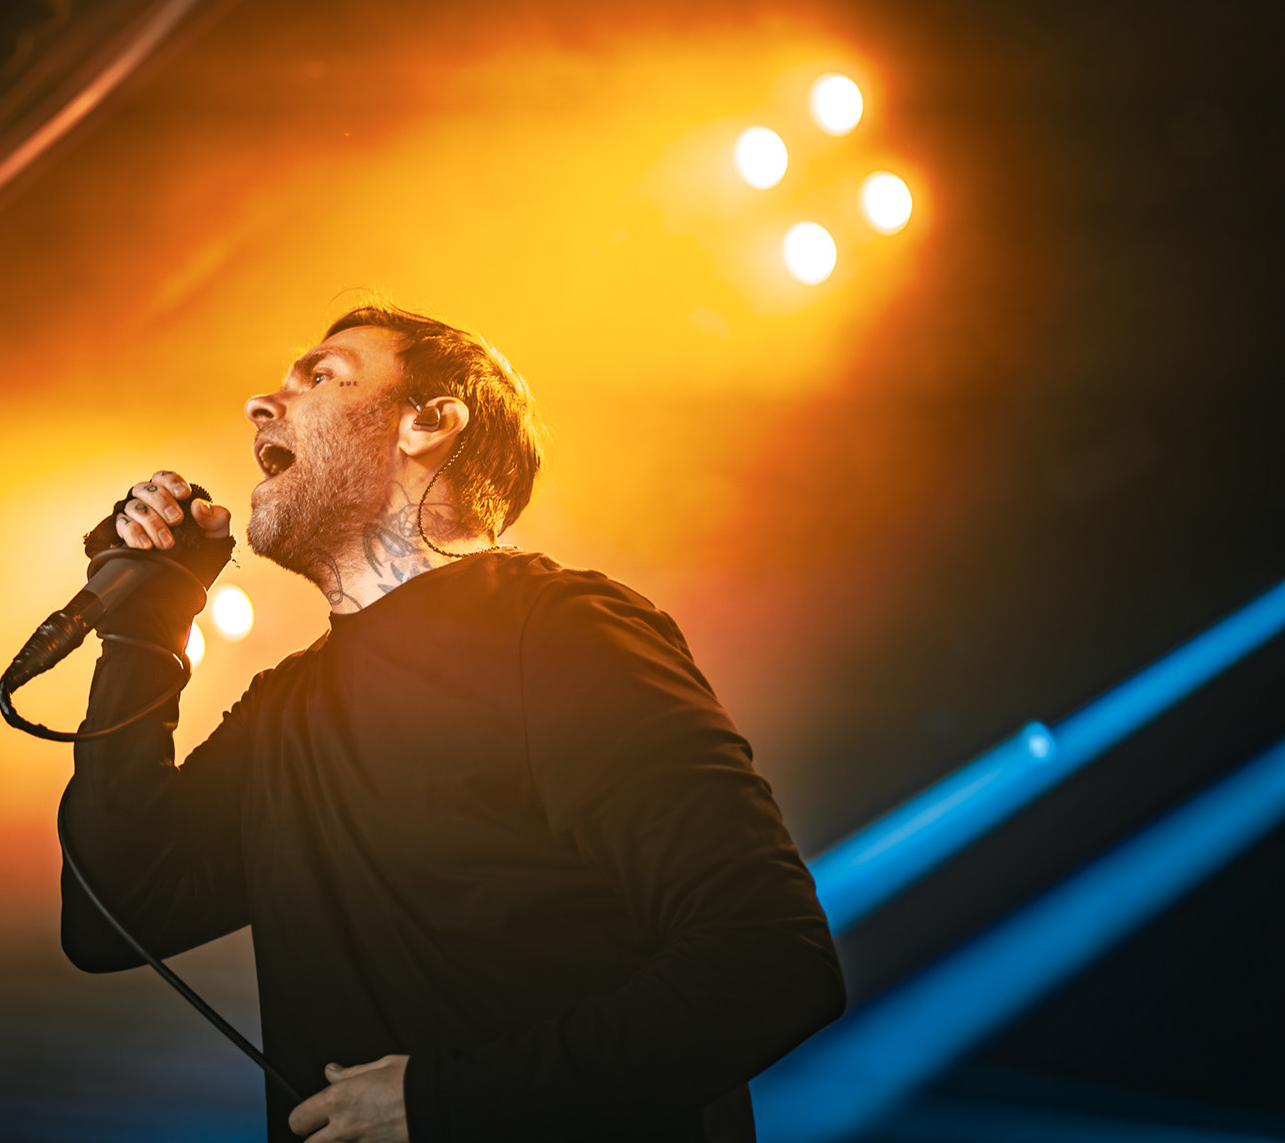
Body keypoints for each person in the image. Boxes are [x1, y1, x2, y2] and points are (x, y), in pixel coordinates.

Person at [57, 305, 845, 1142]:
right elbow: (114, 915)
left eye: (322, 376)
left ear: (428, 424)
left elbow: (771, 959)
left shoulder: (563, 633)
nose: (261, 404)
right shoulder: (282, 712)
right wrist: (146, 624)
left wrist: (449, 1102)